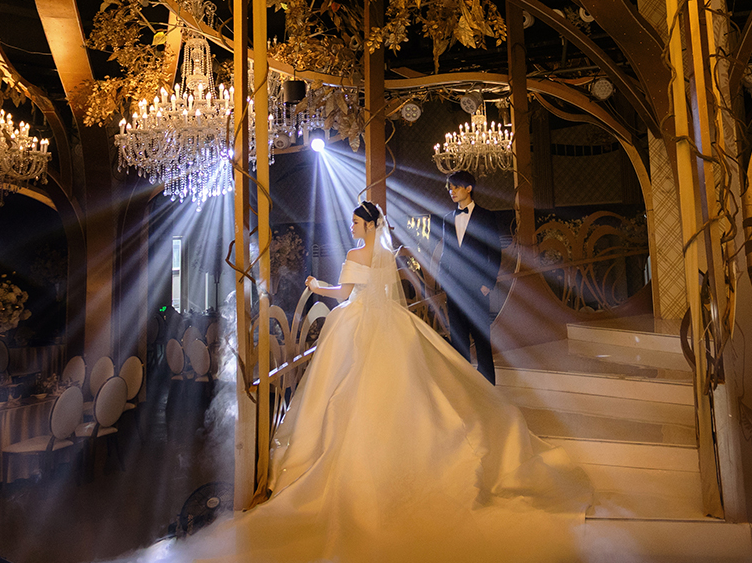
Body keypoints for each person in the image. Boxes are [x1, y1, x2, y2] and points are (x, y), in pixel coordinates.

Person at [173, 198, 590, 563]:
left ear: (369, 225)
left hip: (356, 323)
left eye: (356, 222)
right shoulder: (386, 254)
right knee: (405, 388)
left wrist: (316, 285)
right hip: (389, 322)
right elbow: (385, 293)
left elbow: (343, 294)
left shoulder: (356, 254)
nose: (352, 227)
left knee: (347, 391)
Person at [438, 169, 502, 384]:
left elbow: (494, 253)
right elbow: (446, 253)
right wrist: (444, 282)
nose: (452, 191)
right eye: (450, 188)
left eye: (456, 187)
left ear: (469, 188)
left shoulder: (486, 216)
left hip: (478, 288)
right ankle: (464, 387)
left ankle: (488, 389)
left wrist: (487, 285)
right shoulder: (448, 218)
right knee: (458, 340)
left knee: (482, 339)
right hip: (454, 289)